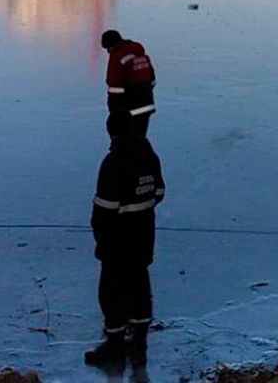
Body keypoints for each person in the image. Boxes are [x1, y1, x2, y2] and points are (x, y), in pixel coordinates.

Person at [85, 111, 166, 368]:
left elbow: (103, 210)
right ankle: (139, 344)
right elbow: (159, 192)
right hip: (144, 237)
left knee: (110, 293)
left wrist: (102, 240)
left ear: (111, 133)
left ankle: (116, 345)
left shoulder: (113, 162)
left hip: (118, 242)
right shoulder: (149, 155)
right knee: (140, 287)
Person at [101, 30, 156, 137]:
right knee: (140, 139)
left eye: (108, 48)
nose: (108, 52)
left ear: (112, 45)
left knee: (124, 141)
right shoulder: (141, 54)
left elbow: (114, 85)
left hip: (129, 108)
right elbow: (152, 80)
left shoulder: (117, 57)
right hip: (147, 104)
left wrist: (114, 111)